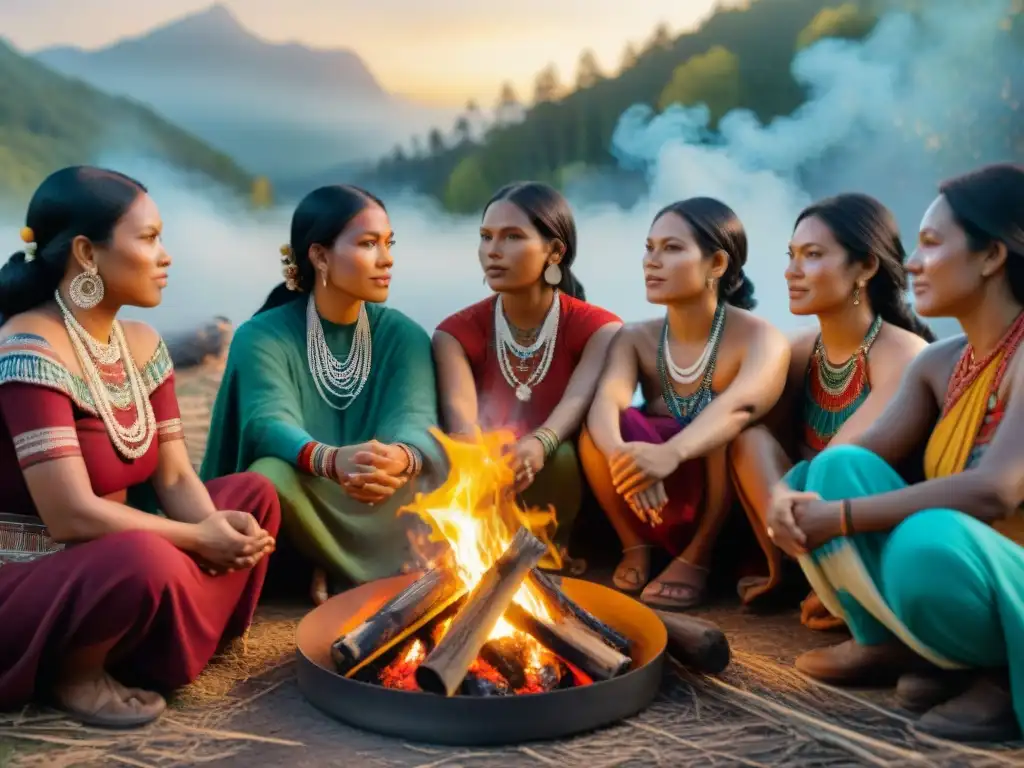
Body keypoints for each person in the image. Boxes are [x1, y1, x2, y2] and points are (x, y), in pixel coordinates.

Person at [0, 167, 280, 728]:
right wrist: (195, 538)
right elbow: (70, 513)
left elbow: (174, 479)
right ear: (86, 252)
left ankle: (139, 640)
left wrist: (214, 529)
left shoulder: (143, 345)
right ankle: (74, 671)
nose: (165, 256)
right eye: (148, 238)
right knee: (144, 559)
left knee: (253, 497)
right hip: (28, 570)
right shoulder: (28, 347)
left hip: (113, 562)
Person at [768, 163, 1024, 742]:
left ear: (992, 256)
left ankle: (1002, 676)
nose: (909, 262)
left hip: (987, 564)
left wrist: (840, 518)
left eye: (932, 244)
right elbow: (855, 459)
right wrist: (787, 497)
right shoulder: (942, 362)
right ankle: (890, 643)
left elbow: (997, 489)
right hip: (955, 561)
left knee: (927, 543)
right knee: (829, 470)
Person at [201, 185, 442, 605]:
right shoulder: (261, 335)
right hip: (307, 491)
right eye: (369, 244)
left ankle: (339, 567)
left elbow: (417, 418)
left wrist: (398, 458)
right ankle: (314, 561)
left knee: (445, 466)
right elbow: (267, 420)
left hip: (382, 494)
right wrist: (330, 461)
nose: (386, 259)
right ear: (320, 256)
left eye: (389, 244)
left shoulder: (405, 335)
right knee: (268, 477)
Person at [729, 194, 933, 625]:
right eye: (792, 255)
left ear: (866, 267)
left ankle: (846, 588)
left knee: (835, 466)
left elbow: (839, 469)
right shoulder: (799, 349)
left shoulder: (902, 354)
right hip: (794, 527)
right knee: (747, 436)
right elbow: (732, 412)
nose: (791, 271)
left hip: (871, 533)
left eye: (813, 255)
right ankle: (786, 572)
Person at [581, 197, 789, 609]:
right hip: (647, 489)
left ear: (716, 264)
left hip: (726, 496)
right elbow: (607, 399)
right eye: (649, 247)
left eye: (672, 248)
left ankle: (698, 554)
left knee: (729, 431)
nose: (651, 261)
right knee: (598, 434)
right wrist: (624, 457)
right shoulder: (635, 337)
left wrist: (671, 454)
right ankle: (634, 545)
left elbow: (742, 407)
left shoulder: (759, 337)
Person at [433, 182, 621, 570]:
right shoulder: (454, 332)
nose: (493, 251)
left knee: (564, 455)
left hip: (565, 485)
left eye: (512, 237)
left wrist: (539, 443)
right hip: (481, 485)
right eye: (486, 237)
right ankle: (480, 553)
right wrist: (483, 459)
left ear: (554, 251)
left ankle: (553, 552)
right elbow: (461, 416)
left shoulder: (600, 329)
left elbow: (577, 400)